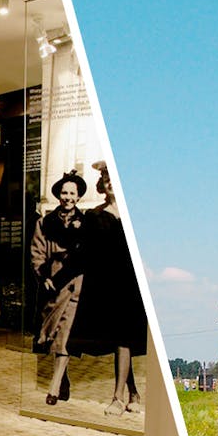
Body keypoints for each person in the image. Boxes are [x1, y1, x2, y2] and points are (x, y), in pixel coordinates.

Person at [69, 161, 146, 416]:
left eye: (114, 176)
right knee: (117, 340)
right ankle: (133, 392)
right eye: (106, 177)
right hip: (105, 286)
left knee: (123, 339)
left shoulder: (135, 215)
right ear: (102, 184)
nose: (110, 181)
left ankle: (117, 398)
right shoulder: (94, 215)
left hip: (130, 286)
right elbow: (85, 253)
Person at [31, 170, 87, 406]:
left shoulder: (85, 223)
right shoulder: (44, 223)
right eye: (64, 192)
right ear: (58, 195)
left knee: (65, 334)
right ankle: (62, 380)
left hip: (75, 282)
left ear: (78, 196)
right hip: (53, 282)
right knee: (52, 333)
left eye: (72, 193)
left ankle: (53, 388)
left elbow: (87, 254)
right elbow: (37, 251)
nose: (67, 197)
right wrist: (43, 274)